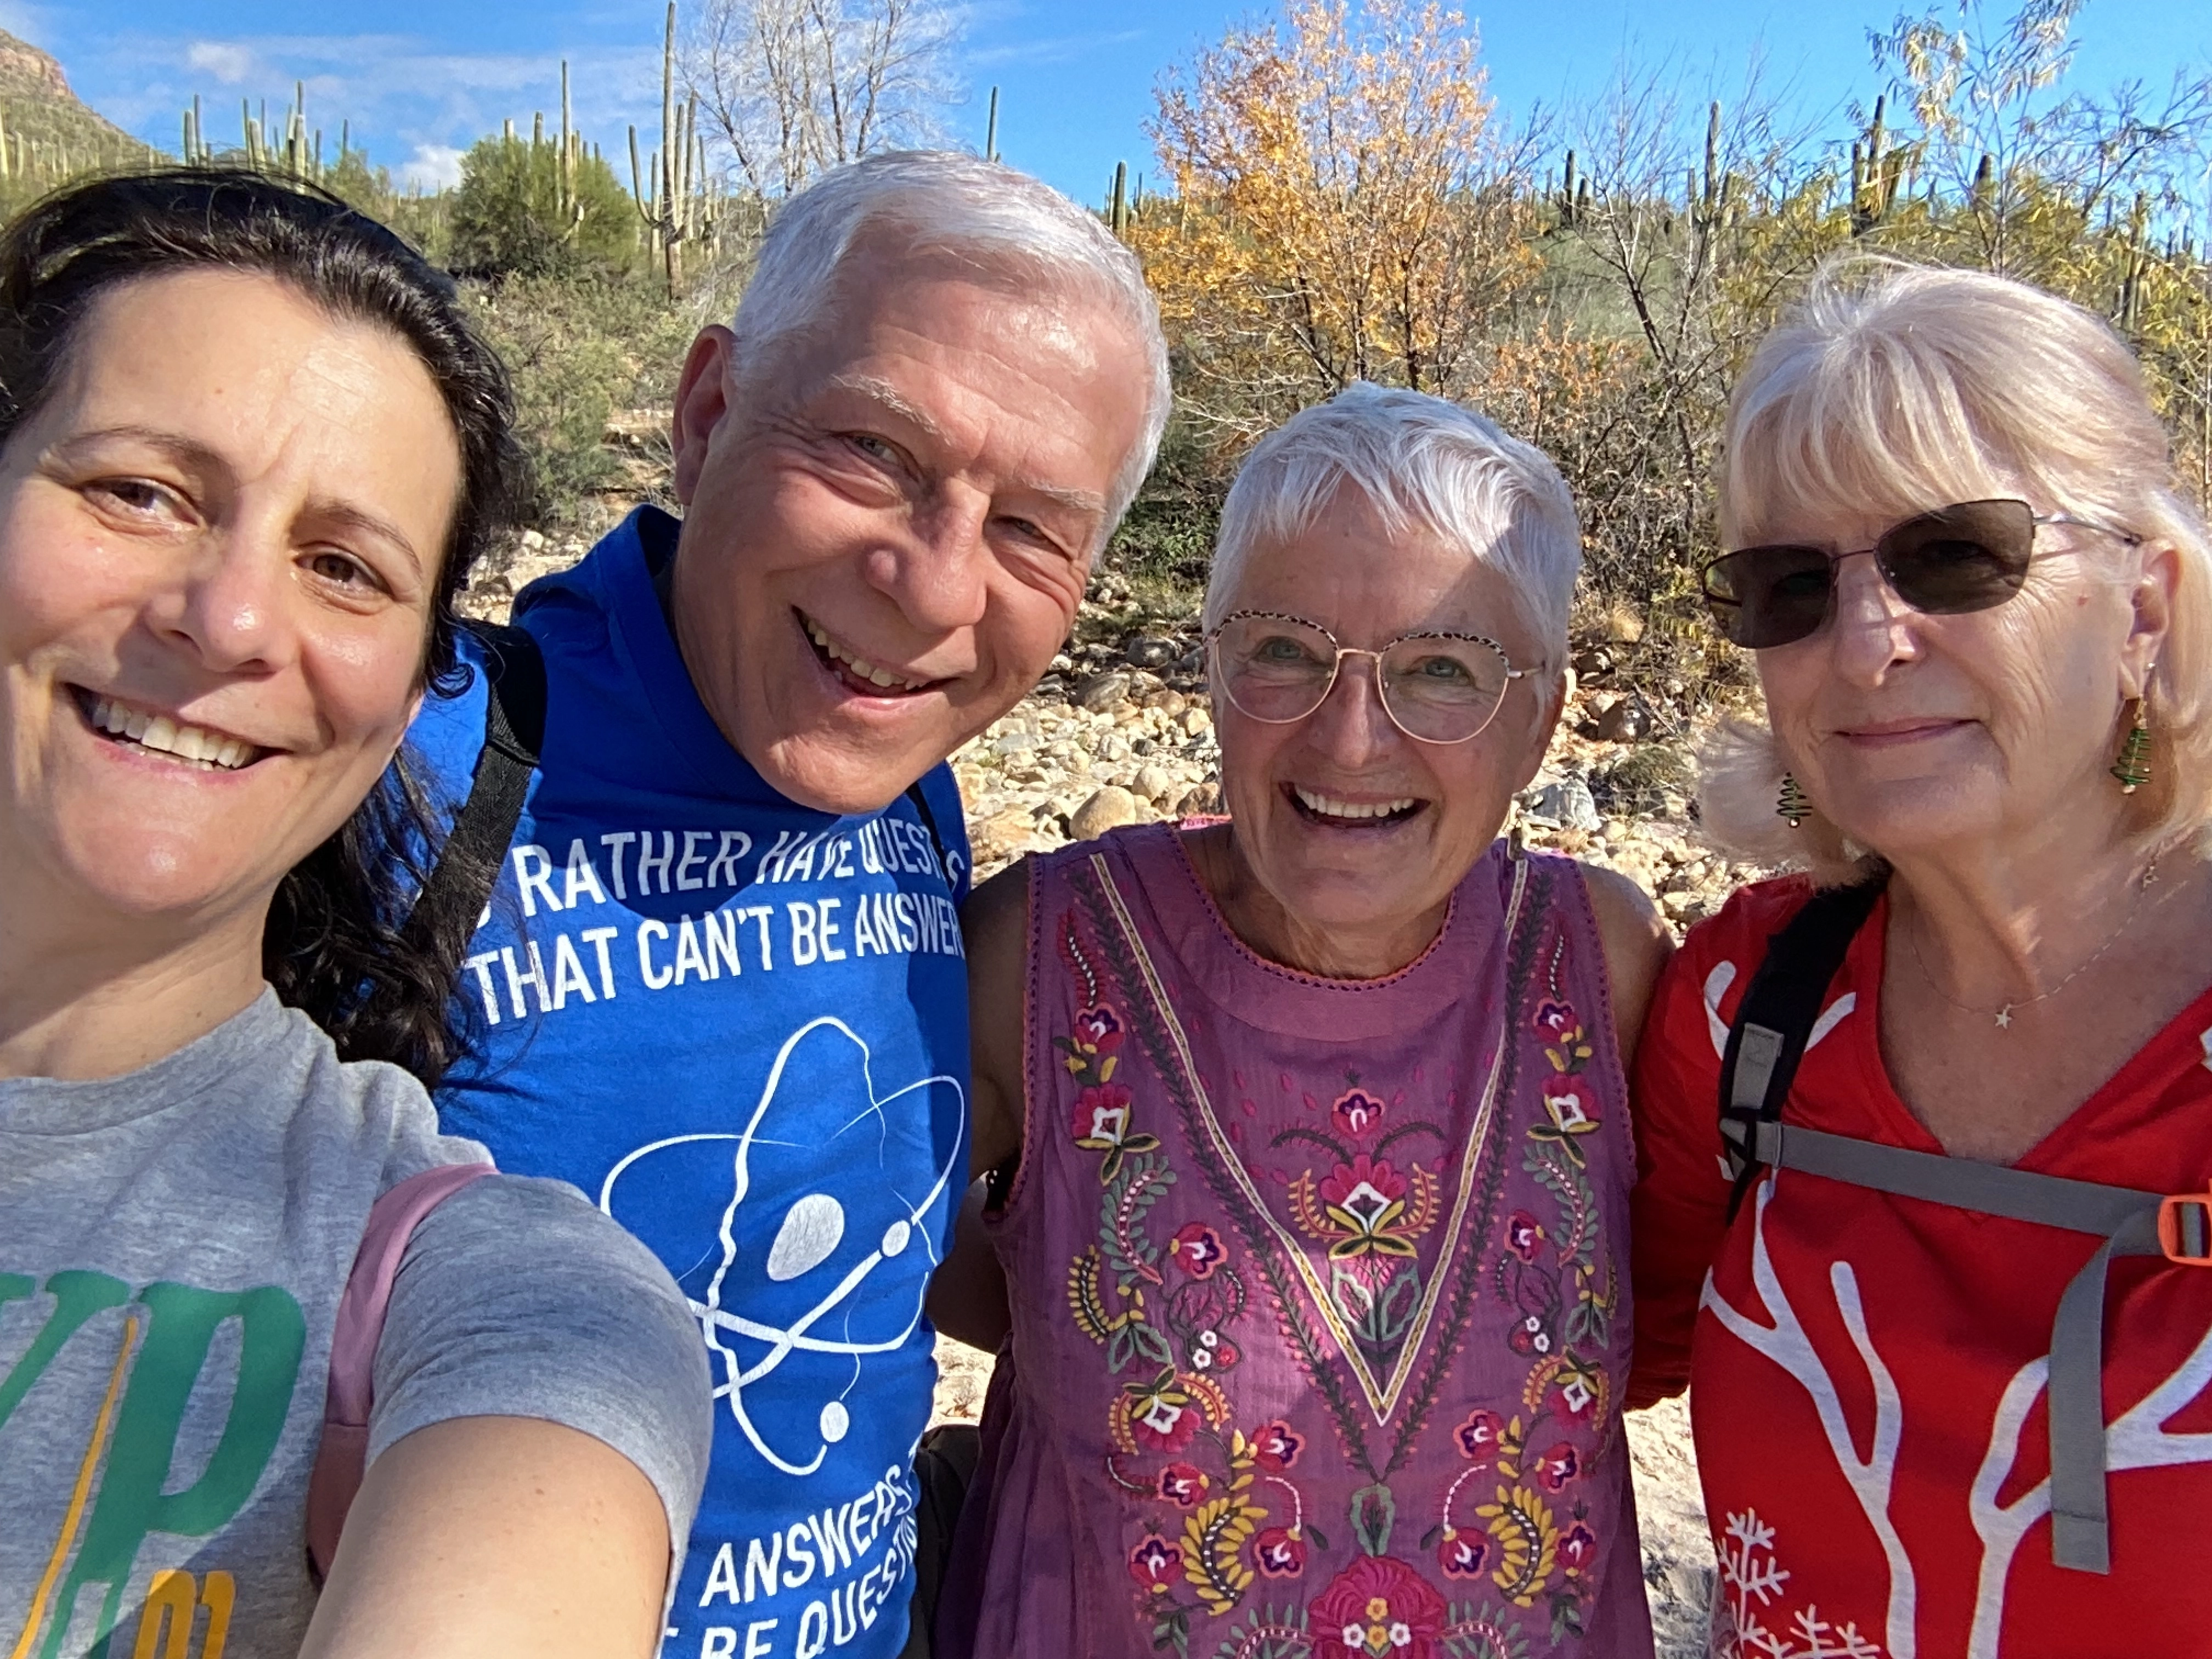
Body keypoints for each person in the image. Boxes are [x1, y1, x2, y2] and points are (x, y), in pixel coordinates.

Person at [405, 149, 1170, 1655]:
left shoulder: (911, 793)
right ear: (704, 419)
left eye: (1031, 529)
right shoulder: (417, 766)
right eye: (876, 453)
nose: (939, 591)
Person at [0, 171, 711, 1657]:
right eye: (139, 491)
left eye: (344, 568)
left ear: (406, 698)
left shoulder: (488, 1284)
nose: (232, 619)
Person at [930, 384, 1672, 1657]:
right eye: (1284, 650)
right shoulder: (1040, 956)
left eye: (1443, 669)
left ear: (1542, 720)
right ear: (1213, 672)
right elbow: (908, 1263)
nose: (1350, 737)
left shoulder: (1601, 964)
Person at [1629, 262, 2212, 1654]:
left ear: (2145, 603)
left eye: (1957, 556)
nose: (1866, 644)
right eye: (1791, 586)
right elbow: (1562, 1353)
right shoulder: (1745, 1006)